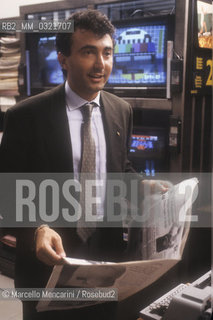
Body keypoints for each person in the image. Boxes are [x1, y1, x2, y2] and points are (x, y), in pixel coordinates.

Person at [0, 9, 169, 320]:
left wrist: (142, 185)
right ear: (63, 58)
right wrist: (36, 228)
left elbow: (118, 169)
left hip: (106, 267)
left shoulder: (121, 110)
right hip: (46, 270)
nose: (100, 64)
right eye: (88, 52)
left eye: (107, 53)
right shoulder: (26, 116)